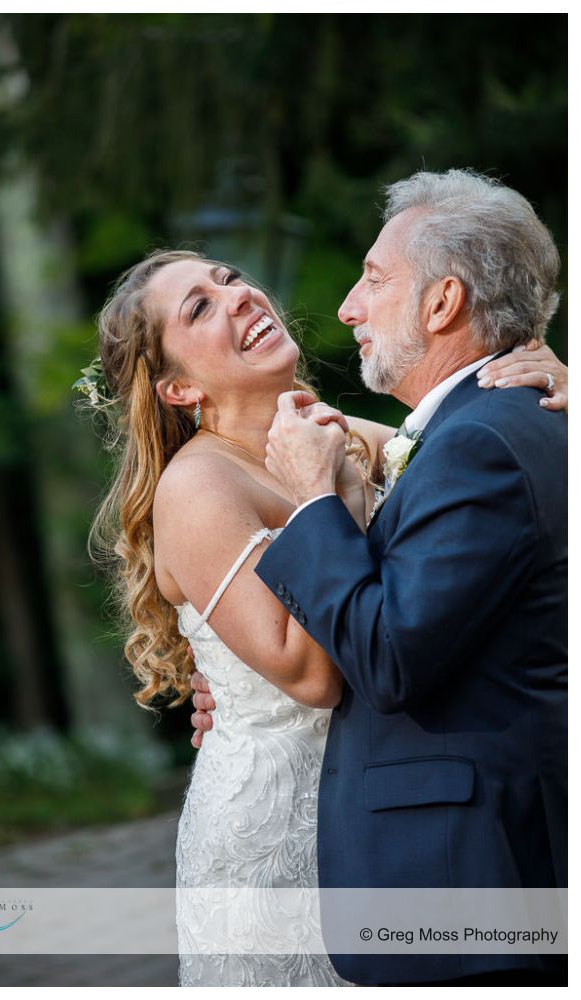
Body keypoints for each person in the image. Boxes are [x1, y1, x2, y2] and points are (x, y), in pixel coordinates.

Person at [86, 218, 566, 984]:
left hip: (388, 812)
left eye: (231, 278)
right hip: (277, 829)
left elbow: (478, 452)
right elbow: (310, 677)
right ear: (178, 388)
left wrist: (549, 378)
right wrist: (325, 503)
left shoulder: (338, 432)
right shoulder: (200, 487)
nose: (238, 297)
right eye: (201, 308)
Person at [245, 169, 566, 987]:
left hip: (459, 877)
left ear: (442, 303)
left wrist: (316, 498)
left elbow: (390, 656)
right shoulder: (506, 425)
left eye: (374, 279)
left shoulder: (479, 444)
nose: (349, 307)